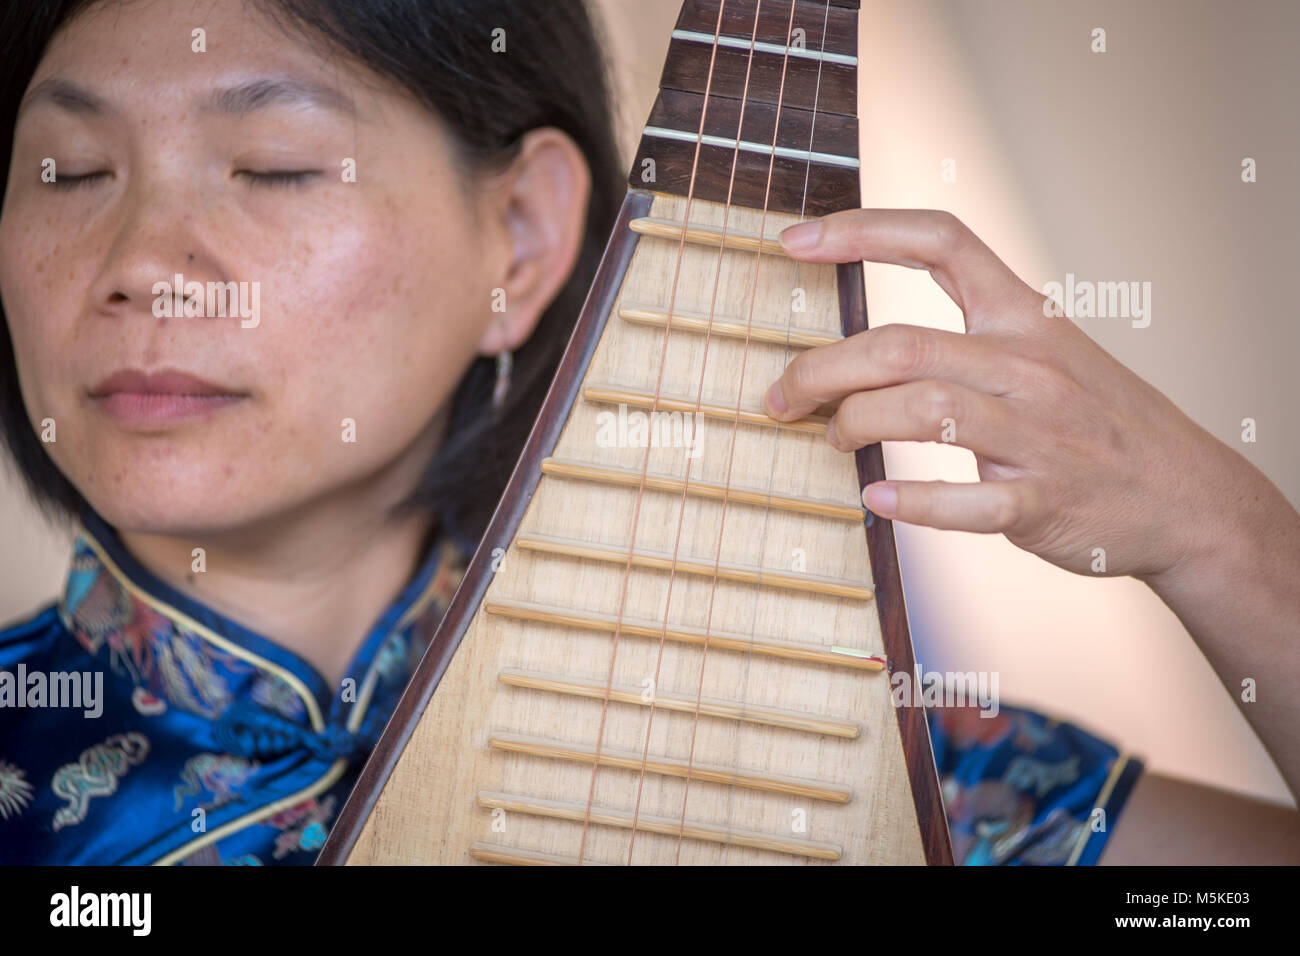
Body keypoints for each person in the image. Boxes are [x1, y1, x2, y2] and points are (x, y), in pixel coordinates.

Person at [0, 0, 1296, 866]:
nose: (141, 269)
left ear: (519, 241)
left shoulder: (855, 777)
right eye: (70, 173)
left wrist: (1218, 533)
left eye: (273, 165)